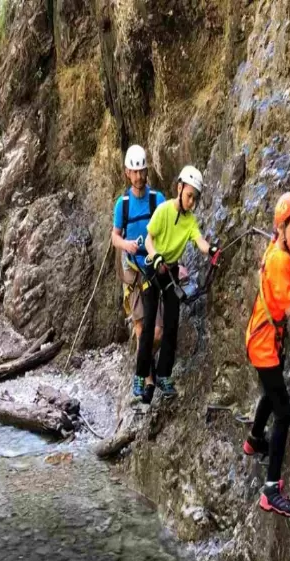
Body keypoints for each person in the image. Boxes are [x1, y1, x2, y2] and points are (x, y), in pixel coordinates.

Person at [243, 192, 290, 518]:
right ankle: (271, 490)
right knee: (284, 412)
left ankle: (253, 440)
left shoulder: (275, 248)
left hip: (261, 339)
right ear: (281, 228)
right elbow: (289, 308)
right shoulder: (282, 260)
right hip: (264, 345)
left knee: (271, 392)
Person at [137, 165, 220, 401]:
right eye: (189, 195)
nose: (191, 202)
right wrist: (156, 257)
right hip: (153, 270)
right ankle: (142, 376)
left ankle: (163, 375)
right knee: (149, 323)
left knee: (172, 325)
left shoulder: (190, 221)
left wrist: (211, 249)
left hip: (171, 272)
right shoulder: (163, 211)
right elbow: (149, 240)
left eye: (195, 198)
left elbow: (200, 241)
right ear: (179, 188)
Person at [112, 145, 166, 402]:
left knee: (156, 333)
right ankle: (147, 378)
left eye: (141, 171)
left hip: (153, 268)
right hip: (132, 270)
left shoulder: (158, 200)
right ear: (127, 173)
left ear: (146, 170)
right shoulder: (122, 205)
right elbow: (115, 237)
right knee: (140, 328)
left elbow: (169, 229)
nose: (138, 177)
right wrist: (127, 245)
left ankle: (147, 360)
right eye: (134, 172)